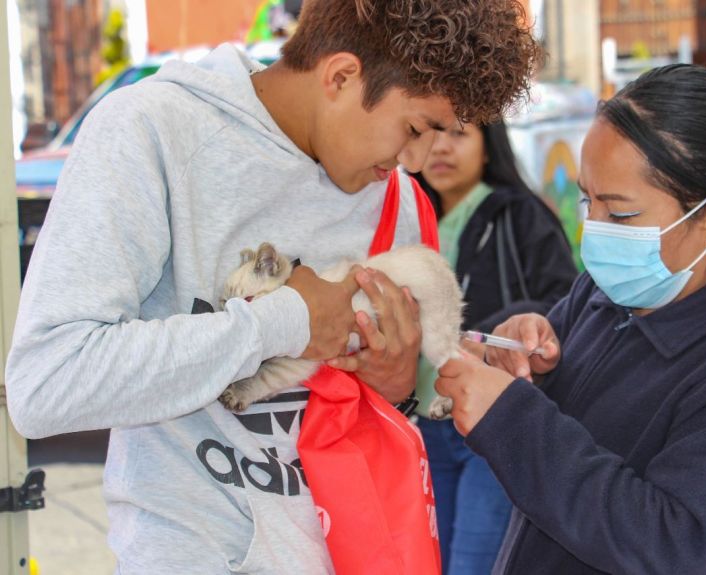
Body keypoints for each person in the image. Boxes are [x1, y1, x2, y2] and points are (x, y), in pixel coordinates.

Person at [4, 1, 541, 573]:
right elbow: (45, 384)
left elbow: (385, 409)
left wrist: (398, 383)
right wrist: (283, 322)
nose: (415, 162)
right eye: (413, 129)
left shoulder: (397, 199)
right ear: (341, 76)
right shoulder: (152, 132)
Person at [435, 64, 706, 574]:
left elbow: (668, 543)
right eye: (588, 201)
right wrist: (527, 357)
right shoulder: (614, 286)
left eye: (621, 214)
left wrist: (511, 416)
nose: (595, 230)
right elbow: (577, 424)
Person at [411, 121, 577, 573]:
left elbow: (563, 304)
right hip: (425, 425)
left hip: (492, 423)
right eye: (430, 133)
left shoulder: (520, 213)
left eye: (459, 134)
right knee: (431, 563)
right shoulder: (409, 216)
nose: (441, 148)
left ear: (489, 147)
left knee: (474, 565)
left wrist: (487, 336)